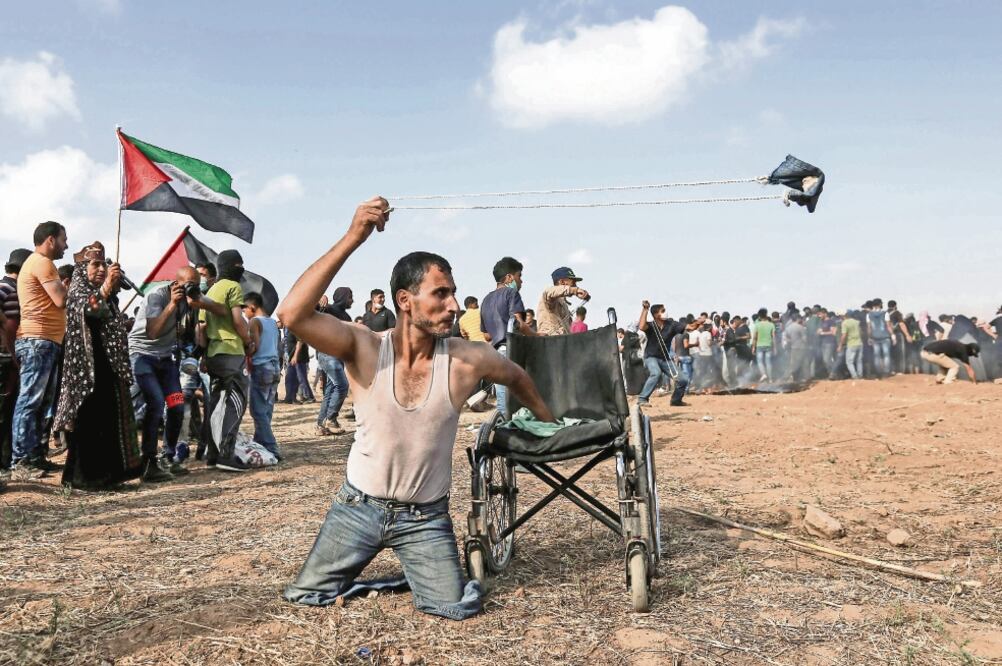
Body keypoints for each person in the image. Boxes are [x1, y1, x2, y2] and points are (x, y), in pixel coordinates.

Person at [277, 197, 554, 620]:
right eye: (441, 293)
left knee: (451, 606)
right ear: (405, 300)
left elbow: (516, 376)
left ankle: (418, 573)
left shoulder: (467, 359)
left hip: (425, 518)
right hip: (357, 509)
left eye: (453, 293)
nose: (454, 305)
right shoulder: (365, 347)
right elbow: (292, 314)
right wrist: (354, 236)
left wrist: (545, 422)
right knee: (306, 595)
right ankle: (400, 578)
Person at [53, 243, 143, 489]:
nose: (102, 269)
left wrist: (109, 290)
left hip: (108, 366)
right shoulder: (77, 292)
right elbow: (90, 310)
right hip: (87, 370)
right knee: (90, 420)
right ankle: (86, 478)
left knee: (108, 419)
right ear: (83, 269)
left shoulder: (107, 294)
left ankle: (111, 475)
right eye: (95, 264)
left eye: (104, 264)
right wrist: (105, 288)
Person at [129, 265, 213, 481]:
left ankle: (168, 457)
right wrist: (173, 304)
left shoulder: (190, 301)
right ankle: (148, 462)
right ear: (176, 284)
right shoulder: (156, 296)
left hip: (166, 359)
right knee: (156, 403)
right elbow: (153, 332)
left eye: (197, 285)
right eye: (190, 285)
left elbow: (207, 315)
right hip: (142, 356)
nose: (193, 289)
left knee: (176, 405)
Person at [10, 222, 69, 477]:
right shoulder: (43, 263)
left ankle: (34, 456)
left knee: (41, 403)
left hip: (45, 341)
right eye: (63, 239)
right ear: (50, 240)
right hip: (37, 340)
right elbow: (61, 299)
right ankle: (21, 461)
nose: (66, 245)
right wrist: (74, 285)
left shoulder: (39, 263)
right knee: (30, 402)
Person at [199, 250, 254, 471]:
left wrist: (204, 355)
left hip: (213, 355)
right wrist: (248, 341)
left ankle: (212, 455)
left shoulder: (210, 291)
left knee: (216, 406)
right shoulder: (233, 287)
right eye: (239, 265)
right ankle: (226, 455)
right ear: (232, 266)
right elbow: (238, 321)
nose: (241, 269)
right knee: (235, 403)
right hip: (232, 352)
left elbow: (201, 328)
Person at [479, 257, 535, 416]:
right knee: (518, 398)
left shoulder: (486, 300)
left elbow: (486, 335)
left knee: (503, 399)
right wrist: (535, 334)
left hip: (495, 354)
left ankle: (504, 425)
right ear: (509, 277)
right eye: (519, 276)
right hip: (511, 350)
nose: (521, 281)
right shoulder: (511, 293)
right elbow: (518, 324)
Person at [0, 249, 31, 478]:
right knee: (4, 411)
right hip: (4, 357)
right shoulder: (7, 287)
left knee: (8, 411)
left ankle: (5, 461)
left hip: (8, 357)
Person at [244, 292, 282, 458]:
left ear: (252, 307)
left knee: (257, 410)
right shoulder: (273, 322)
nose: (244, 313)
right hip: (274, 366)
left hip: (261, 367)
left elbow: (255, 346)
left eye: (244, 309)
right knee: (267, 409)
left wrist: (245, 347)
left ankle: (272, 447)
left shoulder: (254, 321)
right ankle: (260, 442)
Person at [316, 287, 353, 435]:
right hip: (327, 355)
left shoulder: (347, 317)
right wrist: (319, 296)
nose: (352, 300)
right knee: (342, 386)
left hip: (338, 357)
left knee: (330, 391)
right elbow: (307, 307)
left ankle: (321, 425)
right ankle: (331, 419)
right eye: (350, 297)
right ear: (342, 297)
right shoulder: (328, 310)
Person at [637, 301, 687, 406]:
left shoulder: (671, 324)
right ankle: (642, 399)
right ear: (656, 315)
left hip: (665, 359)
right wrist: (645, 310)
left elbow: (689, 327)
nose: (665, 312)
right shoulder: (651, 326)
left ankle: (676, 400)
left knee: (682, 380)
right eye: (662, 311)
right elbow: (641, 326)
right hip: (651, 357)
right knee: (656, 373)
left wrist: (698, 323)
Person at [535, 266, 589, 336]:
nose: (575, 285)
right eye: (573, 282)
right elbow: (551, 291)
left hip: (561, 340)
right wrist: (574, 290)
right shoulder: (550, 296)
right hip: (549, 340)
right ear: (562, 282)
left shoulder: (563, 305)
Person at [867, 298, 893, 377]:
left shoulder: (869, 315)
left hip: (875, 337)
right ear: (880, 304)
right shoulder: (885, 313)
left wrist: (869, 337)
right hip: (885, 337)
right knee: (886, 355)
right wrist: (893, 335)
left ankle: (878, 372)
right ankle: (886, 372)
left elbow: (869, 327)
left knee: (876, 356)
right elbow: (888, 326)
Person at [750, 308, 775, 382]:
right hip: (769, 345)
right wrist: (775, 348)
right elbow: (774, 337)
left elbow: (755, 337)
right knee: (768, 362)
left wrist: (753, 347)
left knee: (760, 361)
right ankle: (770, 379)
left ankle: (764, 374)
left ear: (759, 316)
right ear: (766, 315)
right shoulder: (771, 325)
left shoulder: (757, 325)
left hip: (759, 346)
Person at [783, 313, 810, 382]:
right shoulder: (800, 327)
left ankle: (793, 377)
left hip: (793, 347)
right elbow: (805, 339)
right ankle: (806, 377)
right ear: (798, 319)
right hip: (802, 347)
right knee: (804, 362)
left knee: (793, 363)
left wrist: (792, 341)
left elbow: (786, 339)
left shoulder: (788, 328)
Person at [838, 311, 864, 379]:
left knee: (849, 362)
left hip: (851, 344)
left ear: (844, 316)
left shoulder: (844, 323)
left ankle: (855, 376)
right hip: (860, 343)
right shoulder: (857, 322)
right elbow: (861, 332)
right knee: (859, 361)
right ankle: (860, 375)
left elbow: (844, 335)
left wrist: (840, 345)